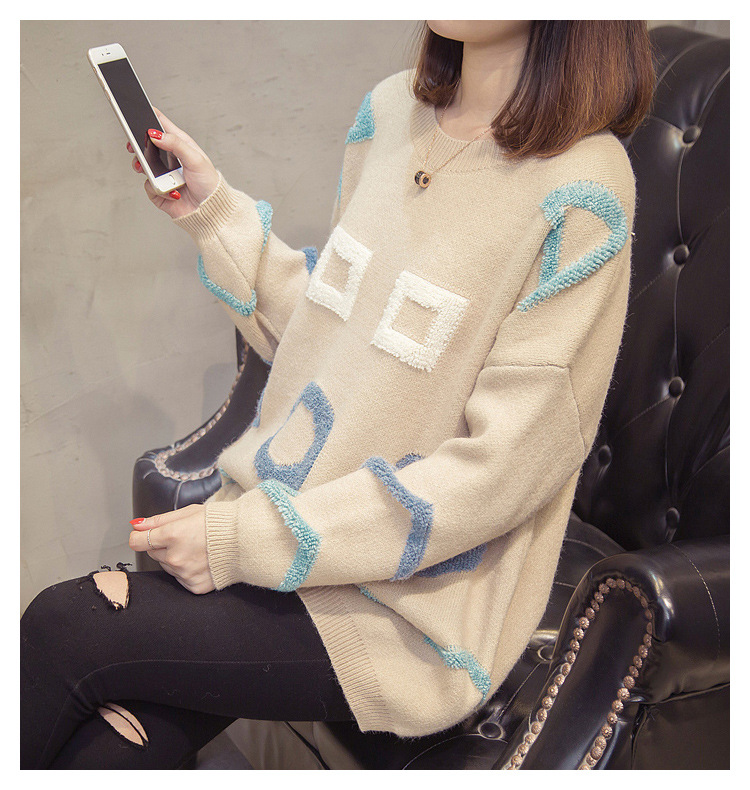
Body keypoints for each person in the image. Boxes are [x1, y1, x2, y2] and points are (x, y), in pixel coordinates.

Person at [20, 20, 655, 769]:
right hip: (292, 527)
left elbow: (502, 472)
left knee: (67, 623)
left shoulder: (584, 191)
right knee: (114, 747)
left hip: (403, 610)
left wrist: (240, 542)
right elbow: (331, 339)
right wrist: (211, 211)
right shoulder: (389, 113)